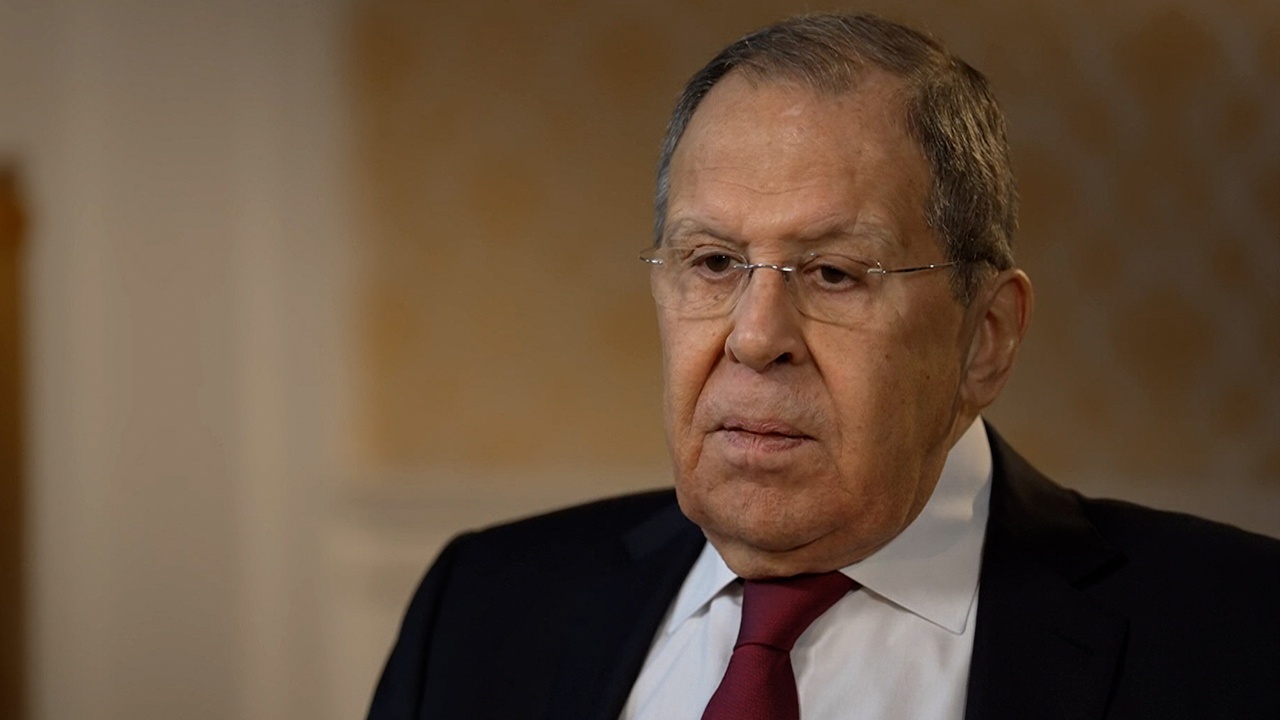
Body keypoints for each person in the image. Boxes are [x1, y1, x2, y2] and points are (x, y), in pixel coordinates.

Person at [367, 12, 1280, 720]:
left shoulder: (1241, 633)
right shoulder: (482, 605)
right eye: (713, 262)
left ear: (987, 336)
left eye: (835, 273)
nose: (754, 337)